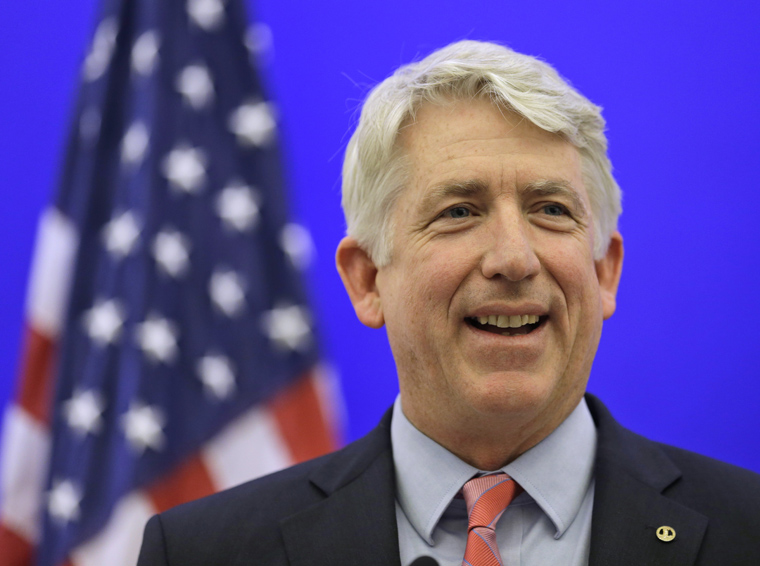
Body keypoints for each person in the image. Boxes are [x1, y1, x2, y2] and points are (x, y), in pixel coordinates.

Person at [137, 40, 760, 566]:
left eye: (552, 210)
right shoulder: (205, 552)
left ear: (604, 273)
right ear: (367, 280)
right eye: (459, 212)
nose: (514, 258)